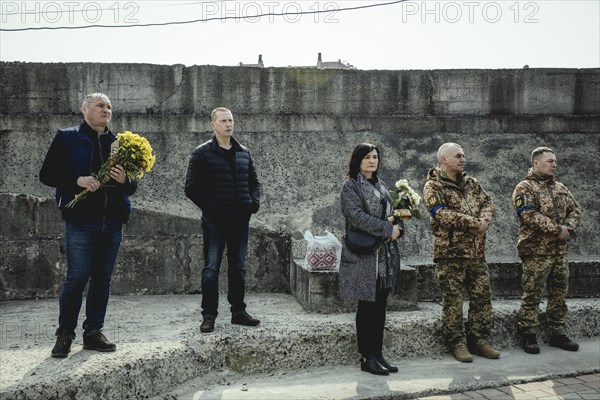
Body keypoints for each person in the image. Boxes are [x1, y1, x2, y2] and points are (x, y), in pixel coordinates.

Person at [39, 93, 137, 358]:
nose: (106, 110)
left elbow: (132, 187)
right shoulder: (67, 137)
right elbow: (46, 174)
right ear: (84, 109)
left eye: (109, 107)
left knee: (102, 279)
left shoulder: (121, 143)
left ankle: (93, 333)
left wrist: (124, 179)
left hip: (112, 221)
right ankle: (65, 334)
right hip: (81, 221)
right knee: (77, 278)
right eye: (100, 106)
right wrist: (77, 180)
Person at [185, 107, 261, 333]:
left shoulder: (244, 152)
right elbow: (191, 187)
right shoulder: (201, 153)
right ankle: (209, 315)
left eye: (231, 120)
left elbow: (255, 182)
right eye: (224, 121)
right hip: (214, 223)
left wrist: (252, 203)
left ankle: (238, 311)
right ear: (213, 125)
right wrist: (213, 208)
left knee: (238, 268)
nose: (229, 124)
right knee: (211, 268)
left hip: (240, 221)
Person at [422, 143, 500, 363]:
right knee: (453, 301)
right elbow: (442, 215)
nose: (463, 159)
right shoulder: (433, 186)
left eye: (464, 155)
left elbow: (488, 203)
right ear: (444, 159)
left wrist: (484, 220)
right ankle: (457, 342)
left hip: (476, 253)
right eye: (458, 156)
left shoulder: (471, 182)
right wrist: (474, 223)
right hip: (450, 254)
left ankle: (479, 340)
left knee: (482, 298)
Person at [338, 143, 403, 376]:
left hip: (384, 256)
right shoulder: (351, 186)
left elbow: (394, 211)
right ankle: (367, 357)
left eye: (375, 157)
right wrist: (387, 229)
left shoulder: (382, 185)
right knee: (367, 307)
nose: (372, 161)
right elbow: (356, 217)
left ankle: (378, 353)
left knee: (380, 307)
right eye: (367, 157)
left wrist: (399, 227)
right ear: (358, 160)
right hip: (365, 255)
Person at [512, 147, 581, 354]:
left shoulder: (561, 187)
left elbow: (575, 210)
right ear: (536, 164)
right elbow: (528, 215)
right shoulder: (525, 188)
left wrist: (569, 227)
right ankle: (528, 334)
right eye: (550, 161)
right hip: (536, 251)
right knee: (532, 294)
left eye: (555, 161)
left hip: (560, 251)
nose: (554, 164)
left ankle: (557, 333)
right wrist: (557, 229)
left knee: (559, 294)